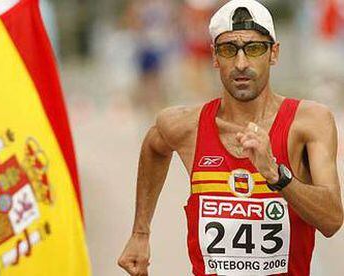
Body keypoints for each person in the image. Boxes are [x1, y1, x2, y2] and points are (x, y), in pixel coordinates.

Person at [117, 0, 344, 275]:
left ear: (274, 53)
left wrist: (277, 176)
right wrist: (140, 233)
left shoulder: (308, 121)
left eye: (254, 48)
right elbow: (155, 146)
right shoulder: (185, 125)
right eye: (228, 50)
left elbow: (332, 220)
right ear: (214, 56)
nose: (241, 63)